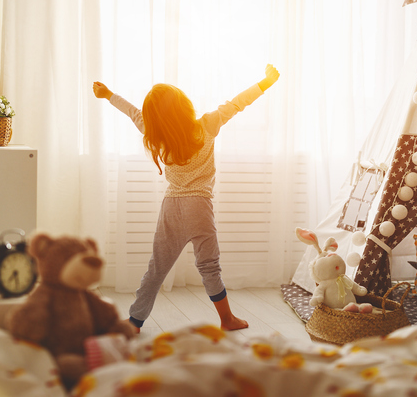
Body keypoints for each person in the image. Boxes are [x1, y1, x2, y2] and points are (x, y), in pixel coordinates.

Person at [92, 64, 280, 332]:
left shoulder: (157, 135)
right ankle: (227, 319)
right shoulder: (206, 125)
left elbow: (134, 113)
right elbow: (237, 103)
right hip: (199, 206)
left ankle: (135, 322)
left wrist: (109, 94)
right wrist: (265, 83)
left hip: (172, 205)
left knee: (157, 268)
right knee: (208, 266)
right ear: (184, 105)